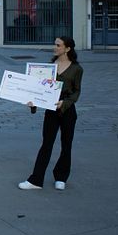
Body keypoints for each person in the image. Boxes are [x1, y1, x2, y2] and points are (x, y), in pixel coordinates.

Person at [18, 36, 83, 191]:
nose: (55, 47)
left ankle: (61, 177)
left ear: (67, 48)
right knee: (46, 144)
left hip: (67, 110)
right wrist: (33, 103)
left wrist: (65, 103)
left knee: (66, 145)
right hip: (51, 110)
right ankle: (36, 180)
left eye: (58, 45)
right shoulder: (49, 67)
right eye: (55, 44)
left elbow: (76, 92)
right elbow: (39, 89)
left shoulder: (76, 69)